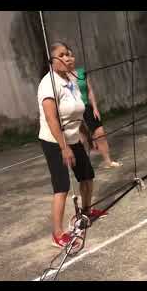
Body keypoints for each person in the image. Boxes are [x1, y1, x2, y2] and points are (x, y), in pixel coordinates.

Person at [37, 42, 104, 249]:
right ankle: (57, 233)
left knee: (87, 175)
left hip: (74, 137)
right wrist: (64, 147)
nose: (68, 58)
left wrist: (87, 134)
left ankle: (85, 212)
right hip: (54, 140)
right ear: (52, 61)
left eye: (70, 54)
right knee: (62, 186)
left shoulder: (71, 80)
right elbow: (51, 119)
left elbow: (76, 112)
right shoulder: (48, 84)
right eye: (62, 55)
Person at [67, 50, 122, 169]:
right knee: (81, 138)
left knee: (100, 133)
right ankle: (85, 164)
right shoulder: (61, 78)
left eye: (71, 55)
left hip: (86, 107)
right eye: (65, 56)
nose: (69, 58)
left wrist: (95, 108)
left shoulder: (81, 72)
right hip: (73, 110)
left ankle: (108, 161)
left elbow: (90, 90)